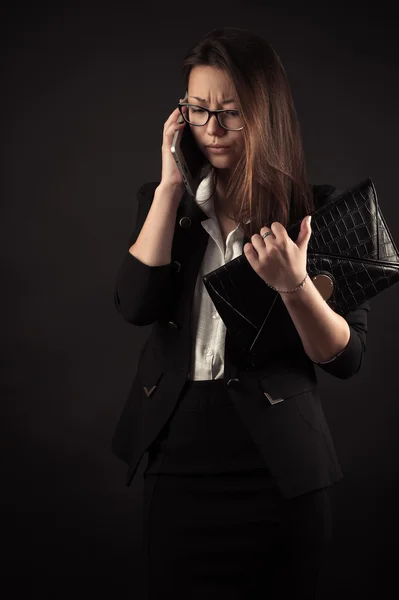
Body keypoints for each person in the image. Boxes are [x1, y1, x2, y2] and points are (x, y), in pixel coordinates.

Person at [112, 27, 370, 599]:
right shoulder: (164, 206)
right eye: (198, 110)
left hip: (278, 466)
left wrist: (296, 286)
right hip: (178, 457)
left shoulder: (315, 212)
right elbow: (134, 305)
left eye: (231, 112)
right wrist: (168, 188)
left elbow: (345, 358)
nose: (213, 129)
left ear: (266, 112)